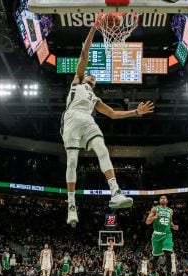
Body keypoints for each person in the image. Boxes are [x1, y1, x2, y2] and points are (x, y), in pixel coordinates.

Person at [61, 17, 154, 226]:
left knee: (102, 149)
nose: (92, 80)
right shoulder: (78, 81)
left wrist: (135, 112)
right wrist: (93, 29)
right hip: (71, 119)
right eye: (90, 78)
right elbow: (84, 53)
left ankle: (115, 192)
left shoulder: (95, 98)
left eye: (95, 80)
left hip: (87, 119)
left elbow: (112, 114)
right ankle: (71, 205)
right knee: (72, 162)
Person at [145, 194, 179, 276]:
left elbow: (170, 221)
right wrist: (155, 217)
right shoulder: (155, 209)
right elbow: (147, 221)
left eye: (165, 198)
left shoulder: (170, 211)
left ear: (167, 201)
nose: (163, 199)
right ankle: (153, 274)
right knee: (155, 258)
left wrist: (173, 226)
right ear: (159, 201)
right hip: (156, 236)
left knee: (168, 254)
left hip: (167, 234)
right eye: (161, 198)